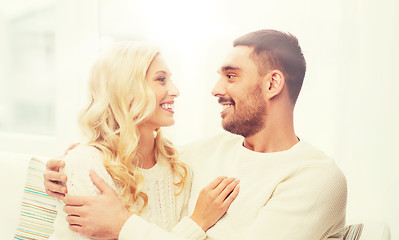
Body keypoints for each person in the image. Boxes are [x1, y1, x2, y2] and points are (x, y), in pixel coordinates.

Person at [45, 29, 347, 240]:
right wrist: (66, 172)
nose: (215, 89)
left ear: (272, 84)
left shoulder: (315, 178)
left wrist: (123, 226)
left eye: (230, 76)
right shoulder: (196, 157)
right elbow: (132, 165)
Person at [47, 41, 240, 240]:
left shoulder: (177, 167)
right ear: (127, 90)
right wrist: (197, 223)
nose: (175, 91)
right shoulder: (86, 164)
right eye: (161, 80)